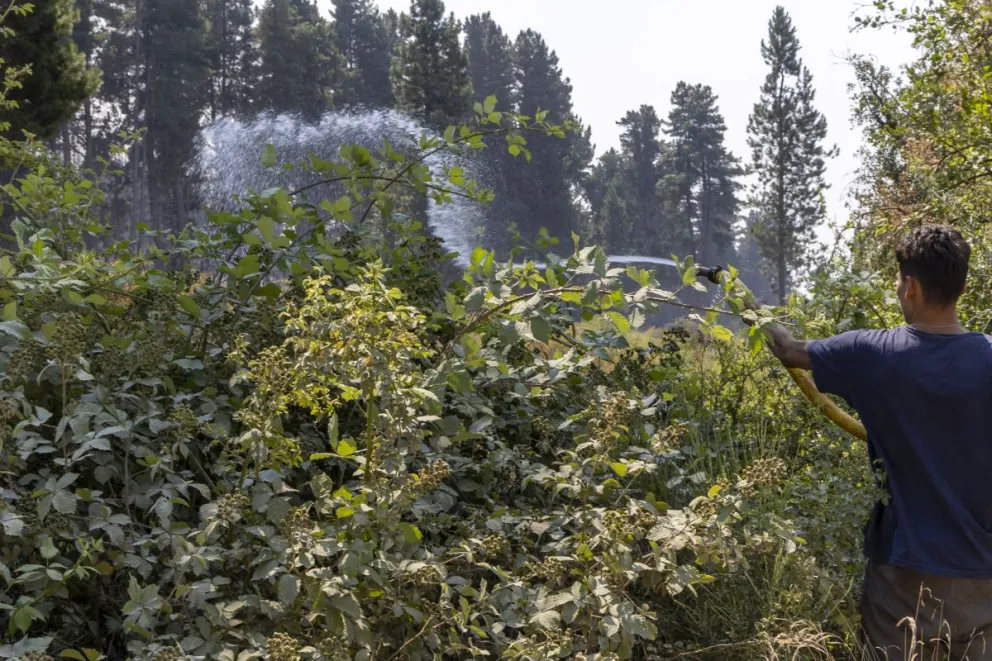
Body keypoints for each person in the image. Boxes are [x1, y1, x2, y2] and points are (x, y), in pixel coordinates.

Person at [762, 224, 992, 661]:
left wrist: (745, 301)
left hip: (905, 581)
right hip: (984, 579)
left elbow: (789, 350)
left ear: (910, 286)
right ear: (962, 287)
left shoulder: (874, 354)